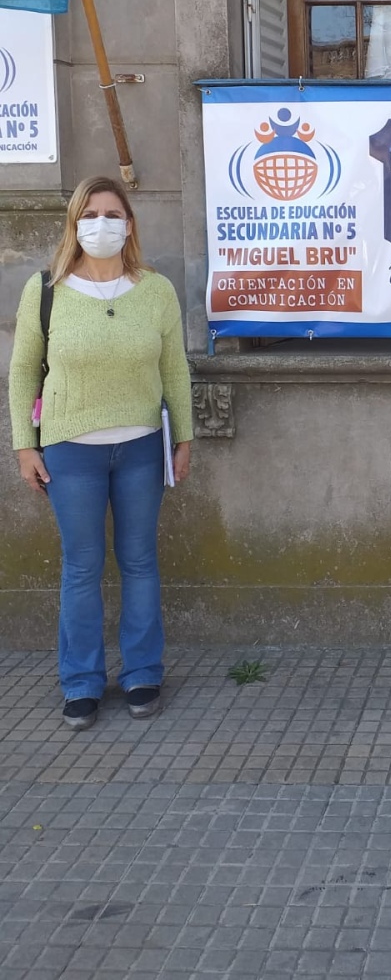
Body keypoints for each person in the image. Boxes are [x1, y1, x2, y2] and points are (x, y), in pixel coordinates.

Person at [8, 176, 194, 730]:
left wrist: (183, 437)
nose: (101, 224)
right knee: (82, 567)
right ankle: (82, 682)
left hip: (139, 448)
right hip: (70, 454)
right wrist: (24, 445)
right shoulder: (46, 289)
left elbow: (173, 369)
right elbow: (22, 371)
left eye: (113, 214)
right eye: (89, 214)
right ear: (74, 223)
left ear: (129, 224)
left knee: (139, 563)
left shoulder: (155, 290)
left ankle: (142, 672)